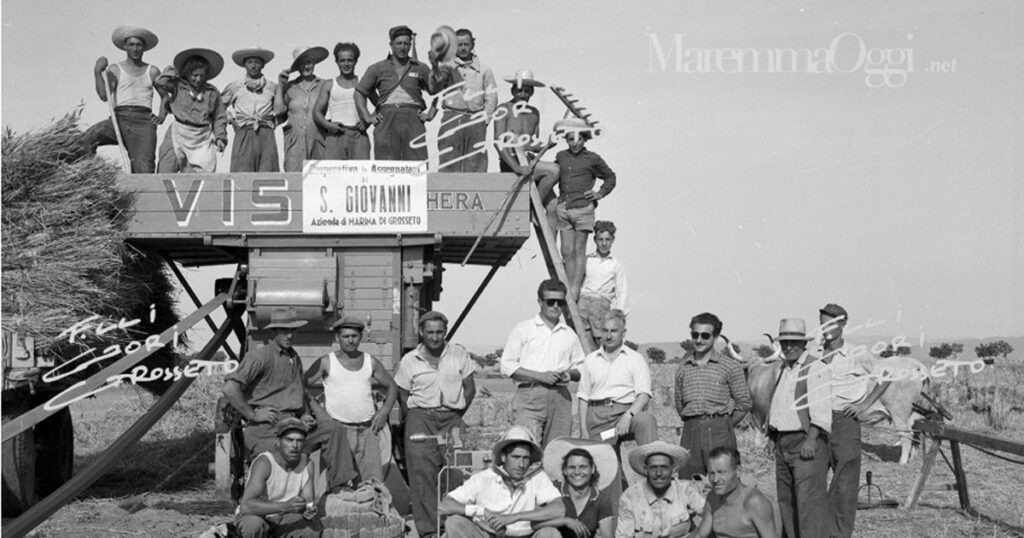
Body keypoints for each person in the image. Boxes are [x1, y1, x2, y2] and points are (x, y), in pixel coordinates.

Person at [395, 311, 478, 538]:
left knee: (456, 472)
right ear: (421, 332)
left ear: (445, 331)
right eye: (430, 332)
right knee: (422, 475)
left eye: (439, 332)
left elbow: (470, 388)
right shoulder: (410, 360)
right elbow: (403, 395)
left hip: (452, 418)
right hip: (420, 419)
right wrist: (417, 415)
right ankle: (431, 530)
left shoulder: (459, 354)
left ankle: (454, 526)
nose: (434, 337)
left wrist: (457, 412)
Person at [817, 303, 887, 538]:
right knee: (813, 480)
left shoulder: (858, 353)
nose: (825, 328)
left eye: (830, 323)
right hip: (816, 424)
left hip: (844, 423)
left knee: (844, 484)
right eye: (822, 323)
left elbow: (886, 376)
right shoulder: (815, 354)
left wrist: (864, 405)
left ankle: (837, 534)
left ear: (843, 324)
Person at [307, 315, 398, 487]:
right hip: (339, 431)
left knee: (373, 483)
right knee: (340, 483)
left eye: (354, 336)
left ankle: (372, 513)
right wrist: (317, 412)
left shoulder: (370, 361)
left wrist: (384, 411)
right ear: (337, 338)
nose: (350, 340)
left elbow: (392, 386)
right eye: (346, 336)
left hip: (368, 430)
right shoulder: (327, 362)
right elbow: (301, 386)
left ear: (360, 337)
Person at [578, 310, 657, 504]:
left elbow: (644, 393)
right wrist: (583, 429)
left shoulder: (635, 358)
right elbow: (583, 396)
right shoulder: (590, 360)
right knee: (607, 468)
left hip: (626, 415)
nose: (609, 335)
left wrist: (629, 415)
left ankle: (656, 473)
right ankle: (618, 507)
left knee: (646, 420)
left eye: (614, 330)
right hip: (600, 420)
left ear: (624, 332)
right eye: (605, 330)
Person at [767, 318, 832, 538]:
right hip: (782, 444)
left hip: (804, 442)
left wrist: (811, 440)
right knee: (787, 502)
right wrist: (772, 438)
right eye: (785, 342)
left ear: (804, 343)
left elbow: (821, 411)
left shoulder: (815, 367)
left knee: (808, 505)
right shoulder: (784, 369)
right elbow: (779, 407)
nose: (789, 347)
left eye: (794, 341)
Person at [500, 279, 586, 447]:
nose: (555, 306)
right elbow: (507, 365)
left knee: (557, 451)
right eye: (550, 302)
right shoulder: (523, 329)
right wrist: (540, 376)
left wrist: (569, 374)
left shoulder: (569, 334)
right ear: (540, 302)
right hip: (530, 396)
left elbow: (581, 366)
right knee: (526, 447)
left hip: (560, 397)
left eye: (560, 302)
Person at [438, 426, 565, 538]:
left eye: (525, 458)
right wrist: (480, 511)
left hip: (526, 535)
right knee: (454, 523)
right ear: (504, 457)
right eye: (515, 457)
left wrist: (515, 517)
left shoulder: (537, 477)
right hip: (489, 534)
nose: (521, 464)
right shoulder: (484, 478)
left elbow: (559, 509)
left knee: (550, 533)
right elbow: (444, 506)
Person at [222, 308, 317, 456]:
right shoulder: (260, 356)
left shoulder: (294, 357)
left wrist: (305, 414)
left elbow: (299, 390)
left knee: (332, 432)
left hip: (293, 423)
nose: (290, 335)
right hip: (268, 426)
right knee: (286, 459)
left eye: (293, 330)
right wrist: (253, 415)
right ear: (274, 331)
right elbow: (229, 388)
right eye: (284, 331)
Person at [673, 312, 752, 479]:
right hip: (691, 432)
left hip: (719, 432)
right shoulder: (683, 368)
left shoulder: (729, 366)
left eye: (705, 335)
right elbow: (680, 405)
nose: (699, 340)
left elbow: (744, 403)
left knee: (722, 483)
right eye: (695, 334)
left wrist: (724, 424)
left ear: (715, 337)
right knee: (689, 484)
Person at [80, 25, 164, 173]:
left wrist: (162, 116)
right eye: (131, 45)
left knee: (144, 169)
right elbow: (104, 95)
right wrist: (97, 72)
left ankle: (142, 194)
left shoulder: (153, 71)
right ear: (125, 47)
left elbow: (165, 97)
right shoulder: (115, 69)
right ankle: (92, 174)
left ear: (144, 48)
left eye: (139, 45)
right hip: (118, 119)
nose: (135, 49)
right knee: (87, 139)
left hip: (143, 122)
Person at [356, 25, 444, 161]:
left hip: (413, 121)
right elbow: (360, 92)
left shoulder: (420, 67)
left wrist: (431, 112)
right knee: (386, 167)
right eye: (399, 43)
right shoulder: (377, 68)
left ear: (410, 46)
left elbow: (436, 90)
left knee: (416, 168)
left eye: (406, 44)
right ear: (391, 44)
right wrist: (367, 117)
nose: (402, 47)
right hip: (386, 121)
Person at [552, 118, 616, 299]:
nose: (575, 143)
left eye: (579, 139)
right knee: (566, 250)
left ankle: (574, 288)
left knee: (579, 249)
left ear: (585, 139)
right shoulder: (561, 156)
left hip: (583, 208)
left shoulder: (593, 158)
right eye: (571, 139)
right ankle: (568, 284)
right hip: (564, 207)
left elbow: (610, 177)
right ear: (567, 140)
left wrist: (600, 193)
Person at [493, 69, 559, 231]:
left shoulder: (534, 113)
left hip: (531, 164)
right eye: (520, 90)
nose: (523, 94)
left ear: (531, 93)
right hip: (512, 164)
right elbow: (498, 143)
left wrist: (546, 145)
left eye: (527, 91)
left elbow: (532, 144)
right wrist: (517, 168)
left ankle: (552, 256)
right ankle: (529, 210)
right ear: (513, 90)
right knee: (554, 170)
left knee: (553, 207)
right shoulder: (504, 109)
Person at [236, 417, 321, 538]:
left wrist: (309, 508)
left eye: (300, 441)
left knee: (311, 531)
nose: (295, 445)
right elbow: (246, 506)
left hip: (286, 517)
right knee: (252, 526)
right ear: (278, 441)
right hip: (259, 515)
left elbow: (308, 498)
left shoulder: (307, 464)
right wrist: (284, 506)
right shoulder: (264, 463)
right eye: (289, 440)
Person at [155, 48, 228, 173]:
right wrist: (175, 73)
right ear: (187, 74)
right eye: (194, 75)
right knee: (165, 169)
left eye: (201, 75)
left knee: (198, 176)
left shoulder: (212, 92)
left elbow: (219, 116)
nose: (198, 79)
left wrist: (220, 137)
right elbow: (160, 82)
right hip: (178, 132)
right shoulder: (177, 86)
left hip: (202, 137)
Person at [435, 28, 497, 172]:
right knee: (448, 159)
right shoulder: (446, 67)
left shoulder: (484, 70)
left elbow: (491, 96)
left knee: (475, 162)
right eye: (459, 45)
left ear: (472, 45)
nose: (462, 48)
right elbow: (435, 89)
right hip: (452, 117)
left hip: (475, 119)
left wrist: (485, 119)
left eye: (466, 44)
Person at [617, 441, 709, 538]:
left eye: (664, 467)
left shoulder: (684, 491)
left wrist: (697, 535)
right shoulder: (630, 498)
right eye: (653, 468)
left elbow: (713, 514)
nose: (659, 473)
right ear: (645, 470)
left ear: (672, 469)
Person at [537, 438, 618, 538]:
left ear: (592, 469)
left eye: (583, 467)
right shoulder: (553, 491)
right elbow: (533, 525)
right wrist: (564, 521)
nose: (577, 472)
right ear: (565, 471)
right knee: (547, 532)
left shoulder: (601, 499)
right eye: (572, 467)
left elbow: (607, 535)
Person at [222, 47, 280, 172]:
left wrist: (274, 122)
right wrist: (231, 119)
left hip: (266, 133)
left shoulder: (272, 87)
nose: (253, 66)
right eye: (250, 62)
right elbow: (218, 107)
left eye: (257, 62)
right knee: (242, 172)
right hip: (244, 131)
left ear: (263, 65)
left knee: (268, 171)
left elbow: (283, 109)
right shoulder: (235, 86)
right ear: (244, 65)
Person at [698, 447, 777, 538]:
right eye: (711, 473)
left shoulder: (753, 502)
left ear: (738, 471)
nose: (715, 479)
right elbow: (700, 534)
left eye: (721, 472)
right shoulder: (712, 498)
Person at [313, 42, 371, 160]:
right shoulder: (329, 84)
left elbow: (381, 103)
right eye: (342, 60)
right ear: (337, 62)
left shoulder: (363, 83)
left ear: (355, 61)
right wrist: (327, 124)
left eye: (350, 60)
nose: (346, 64)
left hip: (358, 135)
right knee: (334, 175)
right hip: (335, 136)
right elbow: (316, 112)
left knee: (360, 175)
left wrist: (368, 120)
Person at [276, 46, 329, 172]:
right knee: (294, 179)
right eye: (302, 63)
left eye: (309, 62)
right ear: (297, 67)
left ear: (314, 63)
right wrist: (280, 85)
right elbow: (278, 111)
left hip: (319, 139)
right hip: (294, 141)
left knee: (318, 180)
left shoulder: (324, 84)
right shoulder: (290, 87)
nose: (306, 66)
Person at [577, 221, 628, 348]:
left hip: (600, 304)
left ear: (613, 240)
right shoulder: (587, 259)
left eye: (607, 239)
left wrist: (619, 314)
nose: (604, 243)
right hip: (583, 302)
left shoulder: (616, 265)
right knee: (584, 342)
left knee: (603, 341)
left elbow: (622, 291)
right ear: (595, 240)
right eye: (600, 239)